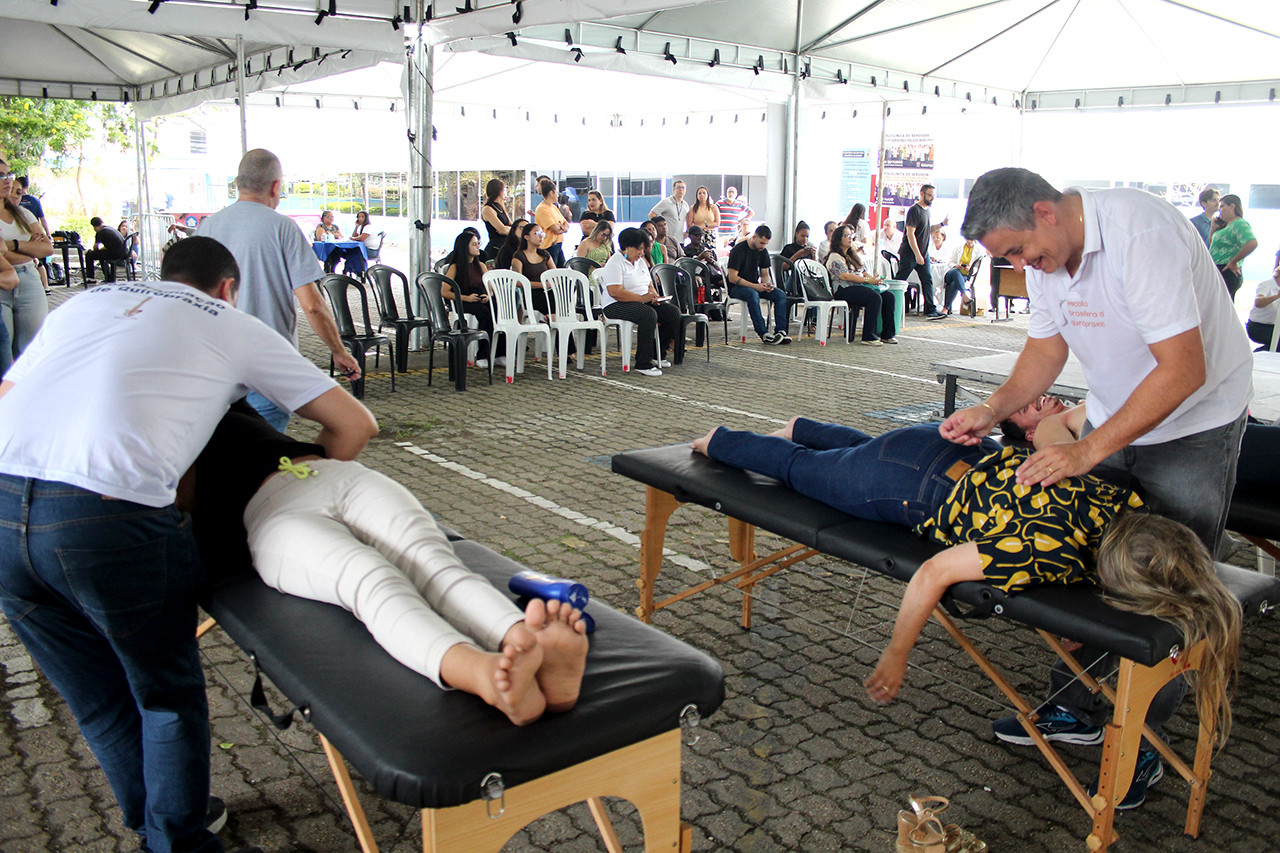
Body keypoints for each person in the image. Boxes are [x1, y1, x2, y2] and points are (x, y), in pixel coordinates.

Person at [0, 235, 377, 853]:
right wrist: (290, 504)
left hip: (2, 502)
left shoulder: (87, 302)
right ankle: (176, 838)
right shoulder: (232, 322)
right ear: (228, 287)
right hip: (104, 517)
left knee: (97, 697)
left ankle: (156, 818)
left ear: (162, 273)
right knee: (164, 697)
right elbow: (355, 424)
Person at [692, 409, 1241, 805]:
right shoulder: (1045, 549)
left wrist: (1054, 415)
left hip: (952, 452)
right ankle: (716, 439)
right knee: (797, 471)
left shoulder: (1122, 497)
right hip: (908, 488)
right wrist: (897, 653)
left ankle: (800, 426)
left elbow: (1054, 432)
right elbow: (935, 571)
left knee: (858, 453)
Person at [948, 166, 1252, 802]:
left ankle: (1142, 743)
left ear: (1046, 211)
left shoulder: (1139, 234)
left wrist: (1087, 449)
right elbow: (1046, 351)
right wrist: (995, 409)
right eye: (1007, 257)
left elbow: (1184, 369)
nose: (1020, 264)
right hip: (1118, 418)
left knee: (1161, 587)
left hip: (1197, 422)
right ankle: (1081, 708)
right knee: (1084, 560)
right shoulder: (1045, 257)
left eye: (1018, 250)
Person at [192, 402, 590, 725]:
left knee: (430, 560)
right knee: (370, 577)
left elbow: (353, 423)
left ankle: (526, 642)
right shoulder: (146, 426)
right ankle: (483, 673)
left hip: (333, 474)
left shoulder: (222, 389)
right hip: (269, 516)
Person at [197, 149, 362, 429]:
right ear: (276, 186)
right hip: (268, 367)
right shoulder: (282, 228)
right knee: (267, 458)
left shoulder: (207, 228)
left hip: (218, 369)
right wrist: (338, 350)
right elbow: (312, 305)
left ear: (237, 183)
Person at [599, 227, 680, 377]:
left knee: (672, 312)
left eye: (643, 250)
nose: (641, 253)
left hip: (641, 301)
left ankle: (658, 353)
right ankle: (643, 362)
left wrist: (654, 297)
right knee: (647, 315)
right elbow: (615, 292)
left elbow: (649, 284)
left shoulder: (641, 262)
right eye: (639, 249)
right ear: (627, 247)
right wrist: (642, 299)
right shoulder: (615, 263)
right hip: (616, 305)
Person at [0, 160, 52, 359]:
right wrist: (31, 249)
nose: (7, 181)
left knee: (31, 352)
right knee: (4, 355)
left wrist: (11, 245)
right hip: (3, 282)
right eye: (0, 175)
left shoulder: (23, 213)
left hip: (29, 279)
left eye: (8, 174)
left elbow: (47, 248)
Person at [825, 224, 895, 346]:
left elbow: (862, 271)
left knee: (889, 296)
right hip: (844, 289)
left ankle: (887, 334)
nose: (850, 238)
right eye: (846, 235)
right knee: (874, 297)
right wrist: (867, 281)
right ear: (838, 239)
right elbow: (845, 276)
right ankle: (869, 336)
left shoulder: (852, 255)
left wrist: (872, 278)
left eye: (851, 235)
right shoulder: (835, 256)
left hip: (860, 286)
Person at [442, 230, 501, 369]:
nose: (478, 247)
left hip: (480, 298)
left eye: (478, 243)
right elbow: (444, 292)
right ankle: (482, 354)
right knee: (485, 315)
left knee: (498, 310)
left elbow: (490, 287)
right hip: (464, 301)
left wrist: (489, 295)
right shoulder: (455, 267)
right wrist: (466, 298)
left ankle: (499, 353)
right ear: (465, 247)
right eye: (474, 244)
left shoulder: (480, 265)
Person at [726, 224, 790, 345]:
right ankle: (763, 333)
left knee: (780, 295)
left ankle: (781, 331)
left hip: (754, 286)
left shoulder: (762, 251)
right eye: (761, 243)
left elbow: (765, 274)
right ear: (754, 237)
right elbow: (733, 278)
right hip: (736, 288)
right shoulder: (738, 250)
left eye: (765, 244)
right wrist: (755, 286)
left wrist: (768, 284)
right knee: (752, 294)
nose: (763, 246)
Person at [895, 184, 948, 320]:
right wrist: (917, 254)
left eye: (933, 196)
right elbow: (910, 233)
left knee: (928, 280)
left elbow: (927, 229)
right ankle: (890, 304)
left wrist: (941, 225)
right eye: (930, 195)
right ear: (922, 194)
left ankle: (930, 309)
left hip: (923, 254)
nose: (932, 198)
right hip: (910, 253)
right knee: (900, 280)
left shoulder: (926, 211)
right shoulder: (914, 210)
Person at [1209, 193, 1257, 301]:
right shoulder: (1225, 226)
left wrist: (1233, 261)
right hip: (1216, 267)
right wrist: (1213, 228)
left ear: (1232, 206)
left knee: (1221, 306)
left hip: (1226, 269)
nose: (1219, 210)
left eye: (1222, 206)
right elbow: (1213, 246)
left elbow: (1252, 243)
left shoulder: (1239, 223)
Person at [510, 221, 556, 317]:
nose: (541, 237)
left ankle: (556, 324)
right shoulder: (519, 255)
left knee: (560, 296)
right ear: (526, 237)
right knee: (551, 300)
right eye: (536, 233)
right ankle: (554, 323)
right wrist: (541, 285)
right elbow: (518, 281)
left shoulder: (544, 254)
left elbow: (555, 274)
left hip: (547, 291)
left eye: (542, 234)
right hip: (530, 293)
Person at [15, 177, 50, 293]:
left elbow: (48, 248)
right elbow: (43, 219)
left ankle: (45, 286)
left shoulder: (24, 211)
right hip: (31, 238)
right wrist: (47, 234)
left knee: (37, 262)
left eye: (18, 192)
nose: (15, 196)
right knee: (37, 262)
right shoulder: (34, 201)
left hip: (32, 237)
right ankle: (45, 286)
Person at [942, 236, 986, 314]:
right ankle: (963, 294)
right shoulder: (958, 248)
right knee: (955, 271)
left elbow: (977, 267)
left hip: (965, 275)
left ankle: (946, 309)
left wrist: (970, 268)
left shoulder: (979, 251)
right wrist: (957, 265)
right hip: (952, 273)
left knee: (955, 284)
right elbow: (949, 262)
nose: (969, 241)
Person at [533, 178, 570, 267]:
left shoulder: (553, 207)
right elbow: (555, 229)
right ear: (551, 193)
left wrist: (563, 227)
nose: (558, 195)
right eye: (556, 193)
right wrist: (562, 228)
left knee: (563, 272)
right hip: (549, 246)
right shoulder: (542, 209)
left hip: (558, 244)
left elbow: (566, 223)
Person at [84, 215, 129, 283]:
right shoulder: (110, 229)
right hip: (124, 252)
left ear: (94, 227)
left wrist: (90, 251)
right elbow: (111, 245)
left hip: (116, 254)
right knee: (101, 255)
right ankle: (109, 277)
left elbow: (95, 248)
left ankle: (91, 278)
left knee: (89, 255)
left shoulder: (100, 232)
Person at [1246, 263, 1280, 350]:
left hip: (1274, 326)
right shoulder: (1266, 285)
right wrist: (1276, 296)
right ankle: (1257, 355)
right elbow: (1259, 302)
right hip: (1258, 326)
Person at [481, 179, 513, 260]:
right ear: (498, 191)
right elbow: (502, 229)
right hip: (496, 247)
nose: (506, 192)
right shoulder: (488, 209)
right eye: (504, 190)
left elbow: (510, 225)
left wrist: (510, 229)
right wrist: (510, 230)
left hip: (506, 245)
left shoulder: (500, 206)